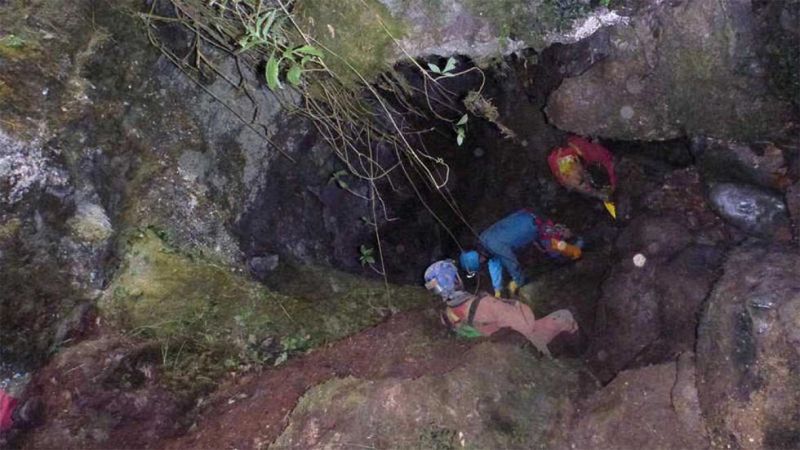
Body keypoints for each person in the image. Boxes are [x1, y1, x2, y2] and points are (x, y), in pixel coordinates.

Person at [424, 260, 578, 356]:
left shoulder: (449, 314)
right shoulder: (487, 305)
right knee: (565, 315)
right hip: (523, 340)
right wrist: (513, 304)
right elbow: (526, 327)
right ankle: (575, 354)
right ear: (454, 280)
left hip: (495, 339)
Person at [460, 209, 582, 298]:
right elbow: (494, 262)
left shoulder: (493, 246)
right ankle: (570, 239)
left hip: (536, 224)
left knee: (555, 250)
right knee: (546, 247)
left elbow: (512, 262)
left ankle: (580, 247)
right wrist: (497, 289)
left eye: (480, 263)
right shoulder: (483, 242)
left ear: (478, 258)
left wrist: (518, 282)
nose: (483, 263)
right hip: (526, 217)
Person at [548, 135, 618, 217]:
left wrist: (613, 183)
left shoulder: (585, 149)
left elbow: (608, 159)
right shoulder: (565, 175)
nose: (586, 186)